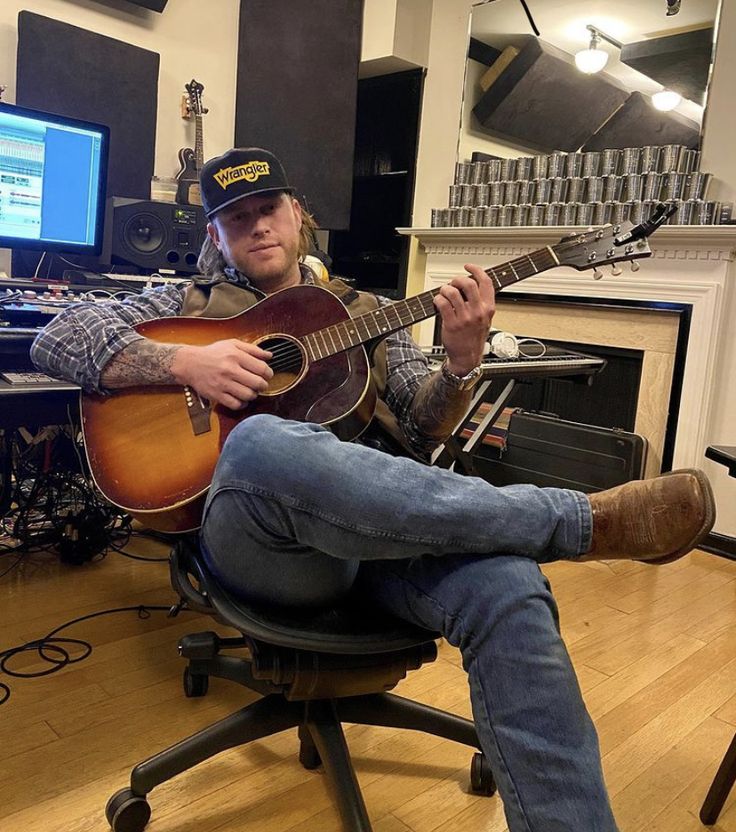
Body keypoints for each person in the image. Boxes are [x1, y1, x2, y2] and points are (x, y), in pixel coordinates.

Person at [31, 147, 716, 832]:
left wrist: (462, 362)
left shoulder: (371, 312)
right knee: (263, 442)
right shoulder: (188, 304)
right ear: (215, 237)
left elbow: (422, 434)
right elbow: (57, 337)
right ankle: (574, 521)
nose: (258, 227)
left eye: (267, 209)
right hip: (267, 548)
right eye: (235, 219)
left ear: (298, 215)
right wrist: (186, 360)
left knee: (509, 584)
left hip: (386, 538)